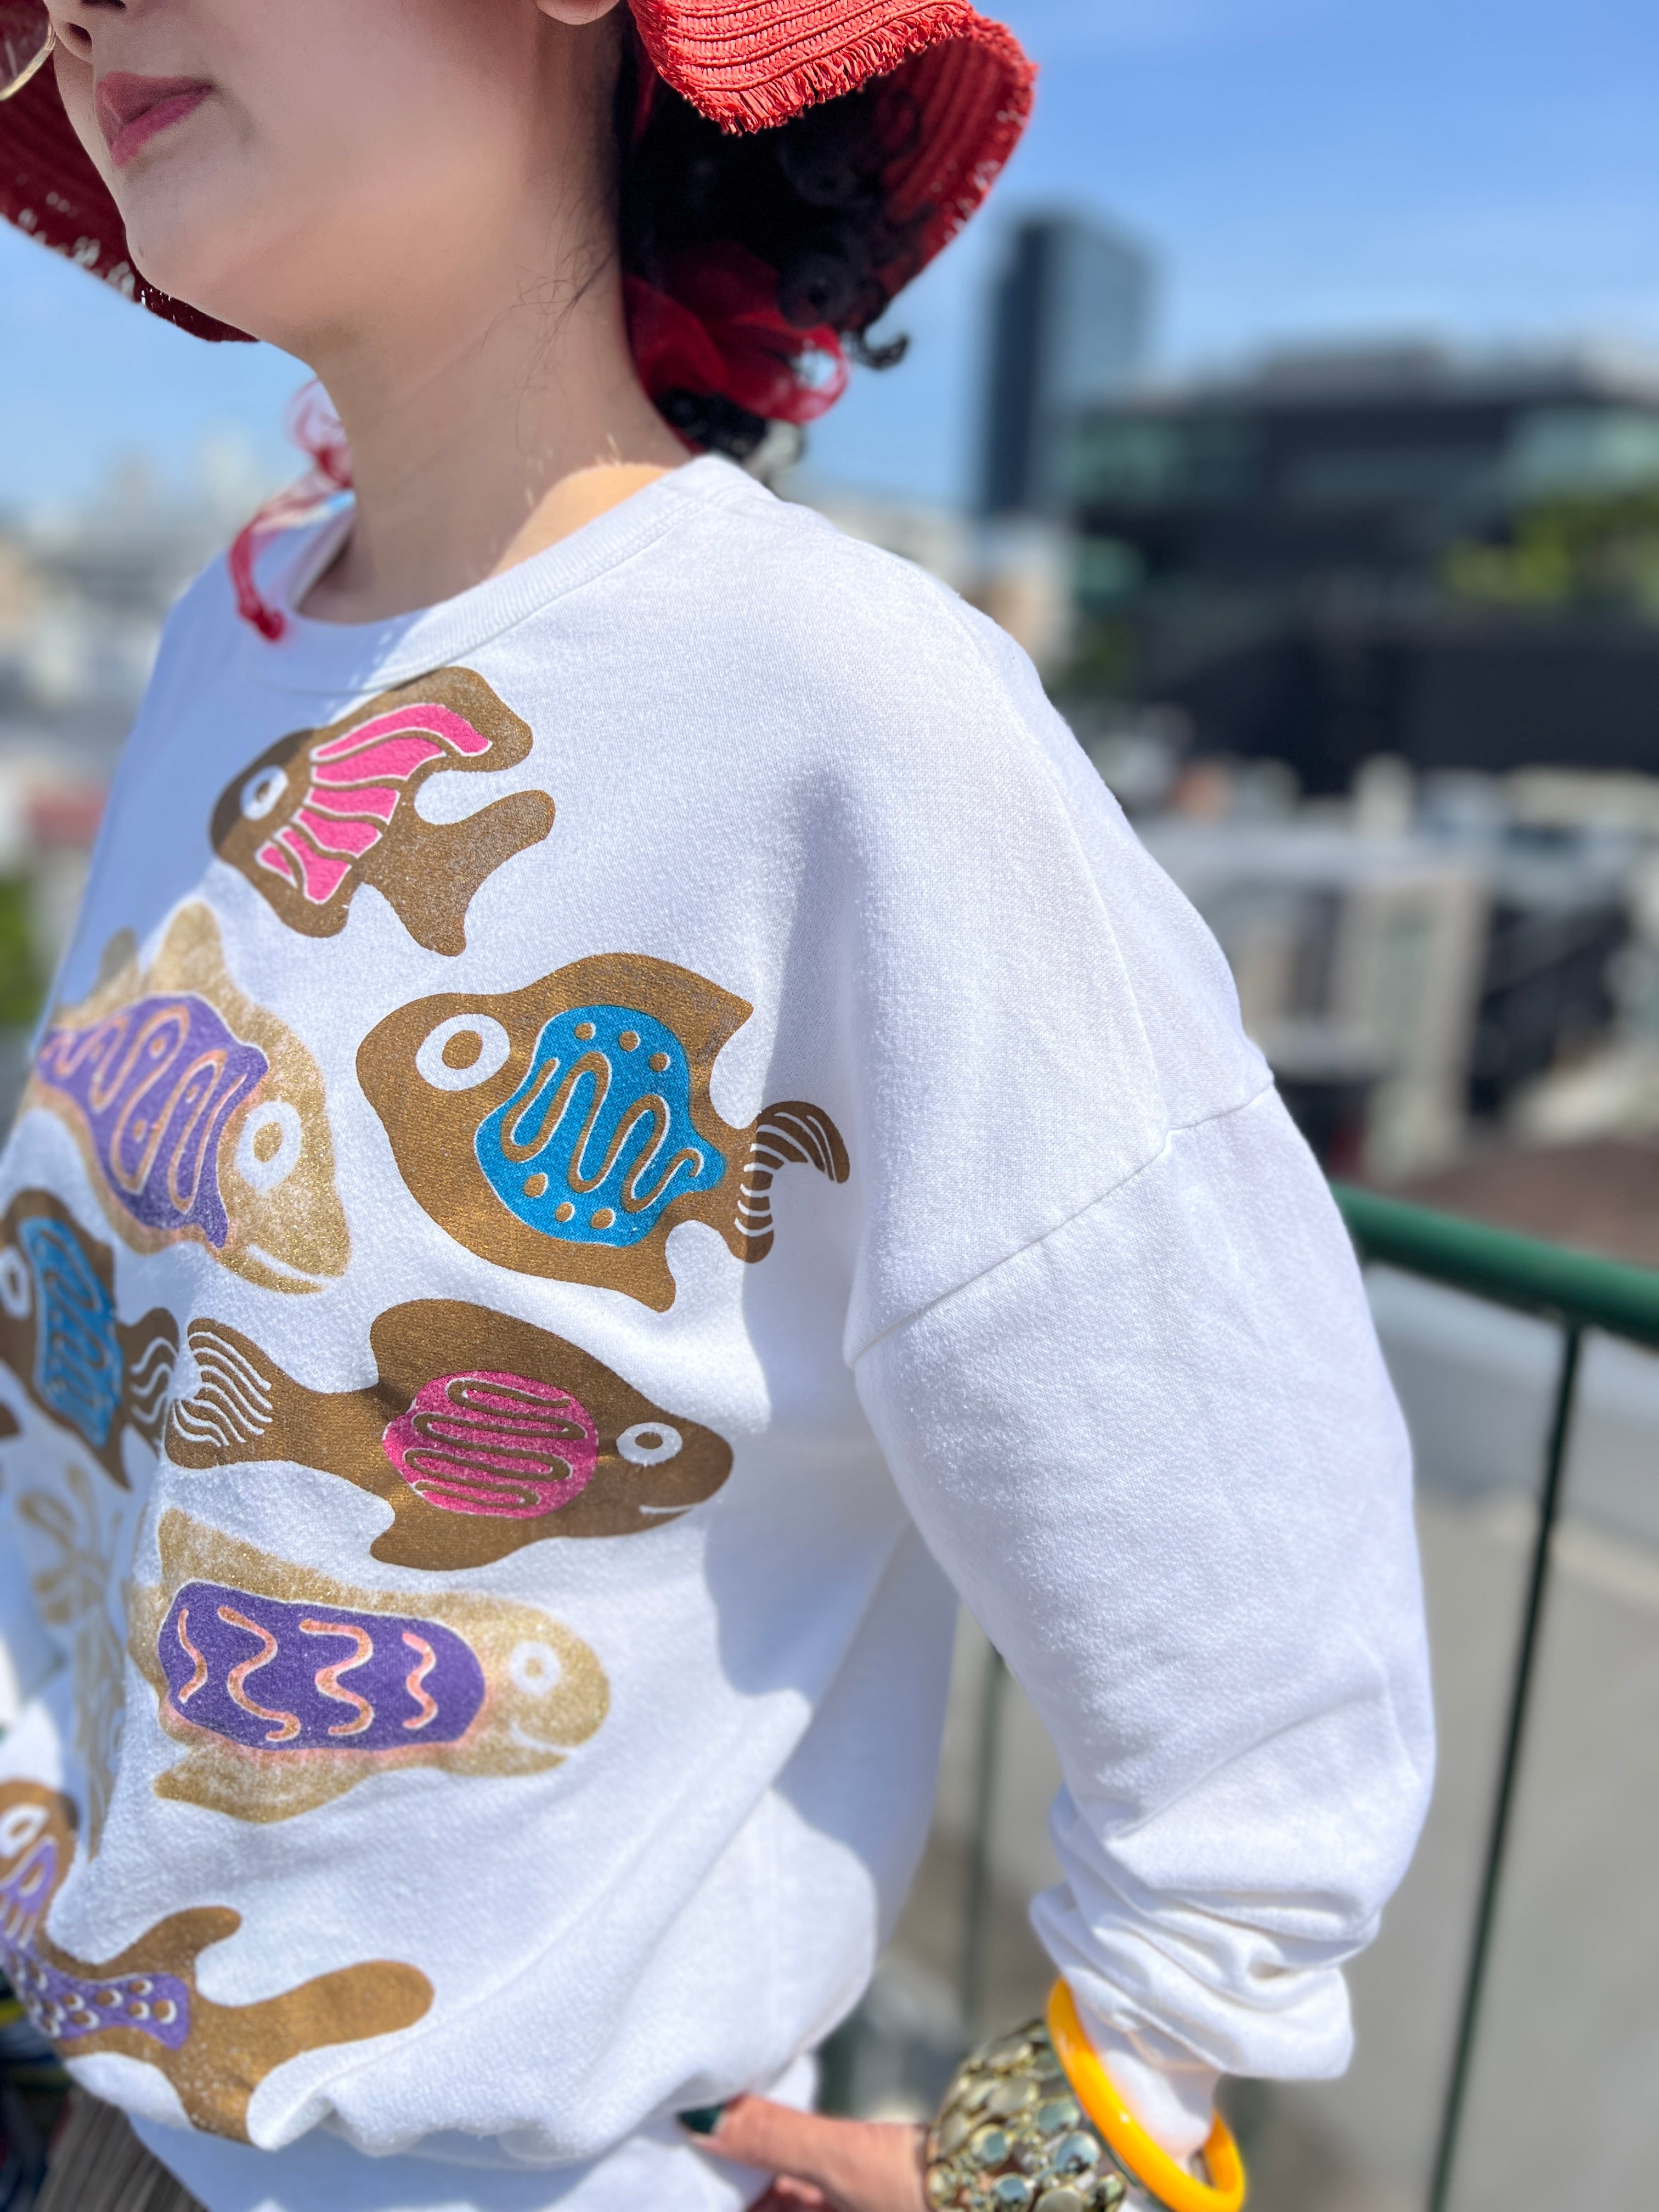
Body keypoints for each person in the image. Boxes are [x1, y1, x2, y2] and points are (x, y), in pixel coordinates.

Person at [0, 2, 1434, 2209]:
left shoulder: (845, 703)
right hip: (92, 2122)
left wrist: (1063, 2154)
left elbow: (1251, 1552)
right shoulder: (224, 639)